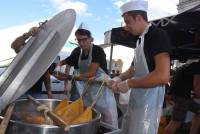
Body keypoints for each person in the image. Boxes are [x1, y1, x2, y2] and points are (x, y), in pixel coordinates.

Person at [107, 0, 171, 133]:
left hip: (150, 102)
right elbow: (133, 69)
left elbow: (163, 76)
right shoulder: (139, 41)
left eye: (128, 21)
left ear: (139, 18)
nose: (126, 27)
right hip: (137, 99)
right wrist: (118, 78)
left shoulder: (157, 35)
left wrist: (129, 83)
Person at [54, 23, 118, 128]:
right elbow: (62, 62)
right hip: (88, 93)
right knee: (90, 120)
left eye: (84, 40)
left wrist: (69, 77)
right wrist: (57, 67)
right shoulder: (77, 53)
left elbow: (91, 73)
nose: (81, 43)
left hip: (102, 92)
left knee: (108, 121)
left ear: (90, 38)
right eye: (78, 40)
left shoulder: (98, 51)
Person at [11, 27, 52, 98]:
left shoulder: (42, 54)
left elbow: (46, 75)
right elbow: (14, 45)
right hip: (21, 91)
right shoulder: (24, 48)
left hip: (37, 91)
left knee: (36, 108)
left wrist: (49, 92)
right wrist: (28, 34)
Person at [164, 61, 200, 134]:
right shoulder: (198, 67)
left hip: (178, 94)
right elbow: (197, 88)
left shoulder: (191, 65)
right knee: (175, 123)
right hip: (181, 97)